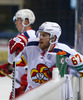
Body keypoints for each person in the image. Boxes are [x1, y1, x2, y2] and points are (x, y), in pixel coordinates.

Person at [8, 21, 83, 93]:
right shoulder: (30, 46)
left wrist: (67, 70)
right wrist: (12, 51)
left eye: (44, 35)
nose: (40, 37)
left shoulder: (65, 52)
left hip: (54, 93)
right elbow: (14, 61)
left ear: (53, 38)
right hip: (31, 91)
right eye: (40, 34)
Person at [0, 9, 37, 99]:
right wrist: (8, 68)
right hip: (21, 85)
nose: (15, 23)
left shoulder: (29, 37)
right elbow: (23, 60)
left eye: (17, 20)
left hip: (25, 86)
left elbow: (34, 60)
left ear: (26, 21)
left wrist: (25, 79)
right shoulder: (33, 35)